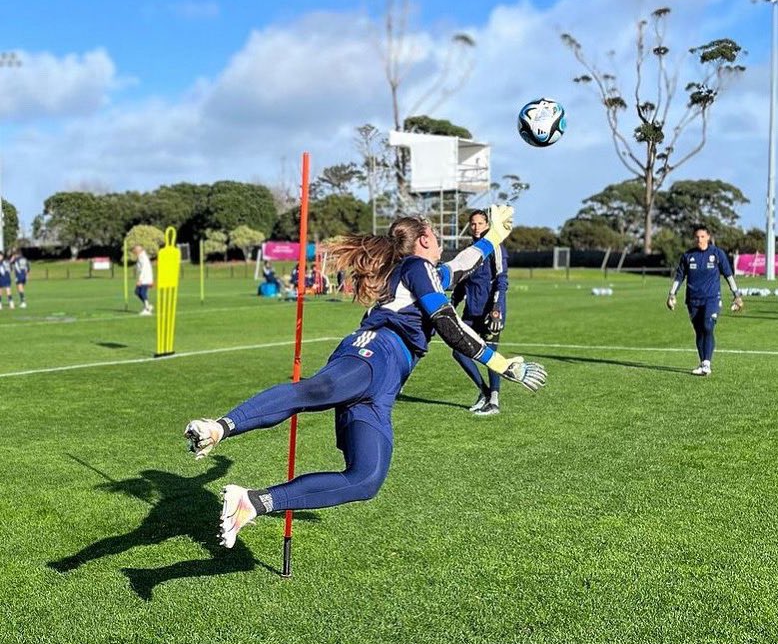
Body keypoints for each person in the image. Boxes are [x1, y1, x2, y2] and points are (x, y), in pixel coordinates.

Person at [183, 206, 547, 549]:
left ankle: (252, 502)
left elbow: (466, 262)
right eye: (435, 236)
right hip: (376, 351)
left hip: (386, 382)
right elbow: (446, 323)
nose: (441, 242)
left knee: (365, 478)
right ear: (423, 240)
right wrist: (502, 364)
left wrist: (495, 236)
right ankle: (220, 427)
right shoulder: (416, 268)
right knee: (317, 390)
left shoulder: (426, 273)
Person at [450, 209, 509, 416]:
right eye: (472, 224)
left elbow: (502, 279)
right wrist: (451, 304)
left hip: (491, 312)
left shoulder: (495, 247)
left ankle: (494, 400)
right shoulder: (469, 251)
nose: (476, 227)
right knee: (459, 352)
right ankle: (484, 392)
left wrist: (496, 308)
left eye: (480, 224)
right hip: (470, 311)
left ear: (487, 225)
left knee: (490, 354)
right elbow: (460, 283)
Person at [666, 224, 743, 376]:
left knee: (708, 327)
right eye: (697, 237)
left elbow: (728, 275)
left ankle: (707, 364)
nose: (699, 240)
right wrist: (671, 294)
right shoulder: (688, 256)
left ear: (708, 237)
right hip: (693, 300)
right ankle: (703, 364)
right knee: (699, 331)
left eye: (702, 236)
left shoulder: (717, 254)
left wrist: (737, 294)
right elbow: (679, 276)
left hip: (712, 299)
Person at [132, 244, 154, 315]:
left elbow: (144, 269)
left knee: (142, 292)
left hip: (145, 278)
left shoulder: (143, 257)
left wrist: (140, 280)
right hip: (143, 277)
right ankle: (148, 306)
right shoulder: (140, 257)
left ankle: (147, 309)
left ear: (139, 250)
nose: (134, 251)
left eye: (135, 250)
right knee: (137, 292)